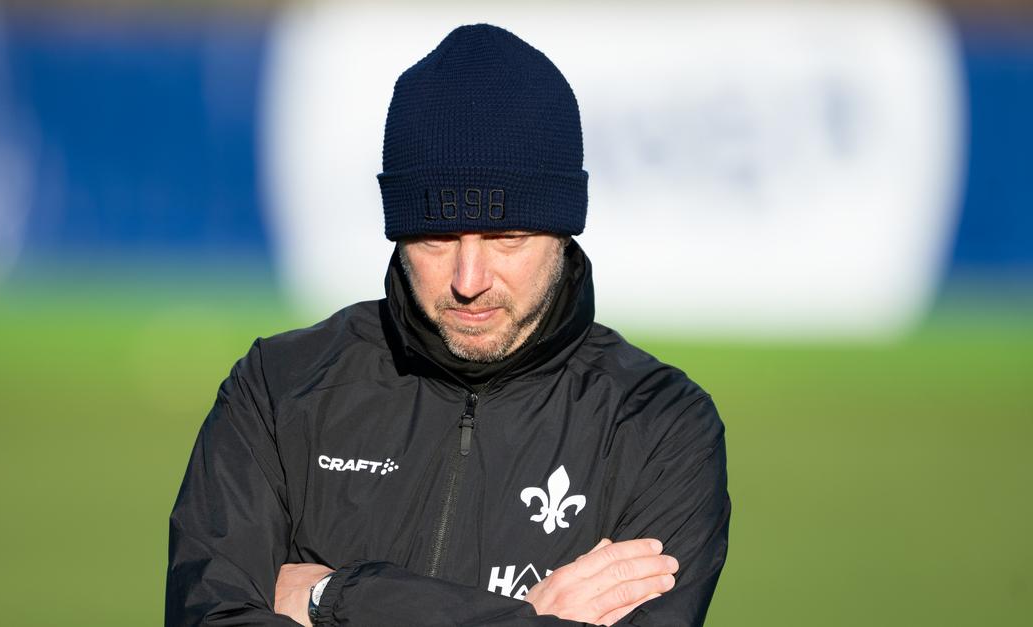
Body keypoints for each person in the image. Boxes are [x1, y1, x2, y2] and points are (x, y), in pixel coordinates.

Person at [166, 24, 729, 627]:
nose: (468, 279)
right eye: (436, 238)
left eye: (506, 237)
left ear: (564, 232)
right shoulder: (279, 390)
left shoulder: (660, 425)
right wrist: (528, 618)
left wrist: (336, 598)